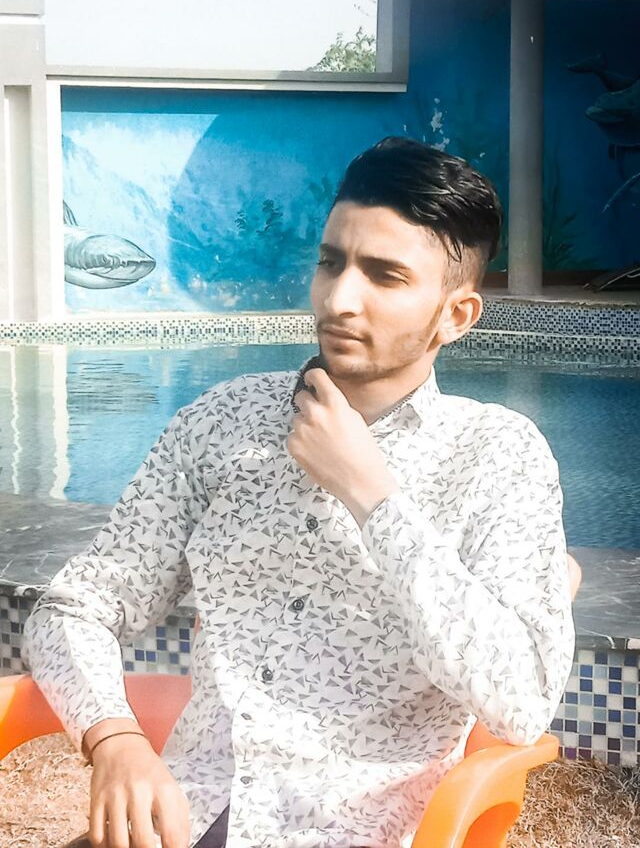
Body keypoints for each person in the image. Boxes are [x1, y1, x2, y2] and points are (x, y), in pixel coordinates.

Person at [23, 137, 577, 848]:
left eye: (385, 276)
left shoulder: (497, 456)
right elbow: (73, 606)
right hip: (187, 812)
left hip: (352, 827)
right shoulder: (221, 423)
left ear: (456, 315)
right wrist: (116, 739)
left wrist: (372, 494)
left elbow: (522, 702)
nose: (339, 299)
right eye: (331, 262)